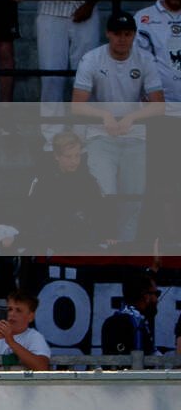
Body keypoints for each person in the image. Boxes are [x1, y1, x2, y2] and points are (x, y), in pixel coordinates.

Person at [73, 12, 165, 244]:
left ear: (134, 35)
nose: (122, 39)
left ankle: (126, 251)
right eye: (117, 34)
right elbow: (77, 105)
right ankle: (104, 247)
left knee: (133, 199)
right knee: (105, 195)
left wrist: (132, 118)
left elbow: (159, 106)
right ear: (108, 34)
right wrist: (104, 115)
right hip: (100, 137)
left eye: (127, 34)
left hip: (135, 137)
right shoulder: (91, 59)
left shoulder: (145, 60)